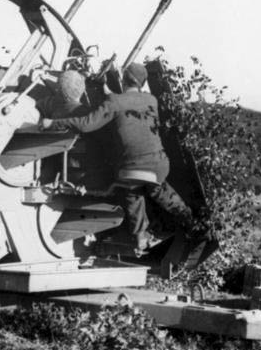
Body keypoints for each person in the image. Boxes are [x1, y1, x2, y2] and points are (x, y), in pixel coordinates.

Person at [41, 62, 192, 253]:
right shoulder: (151, 100)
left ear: (123, 78)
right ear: (142, 84)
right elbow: (124, 101)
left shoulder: (114, 103)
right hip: (159, 165)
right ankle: (188, 219)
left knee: (132, 191)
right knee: (158, 189)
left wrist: (51, 123)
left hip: (130, 170)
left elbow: (86, 124)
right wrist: (106, 89)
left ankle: (139, 236)